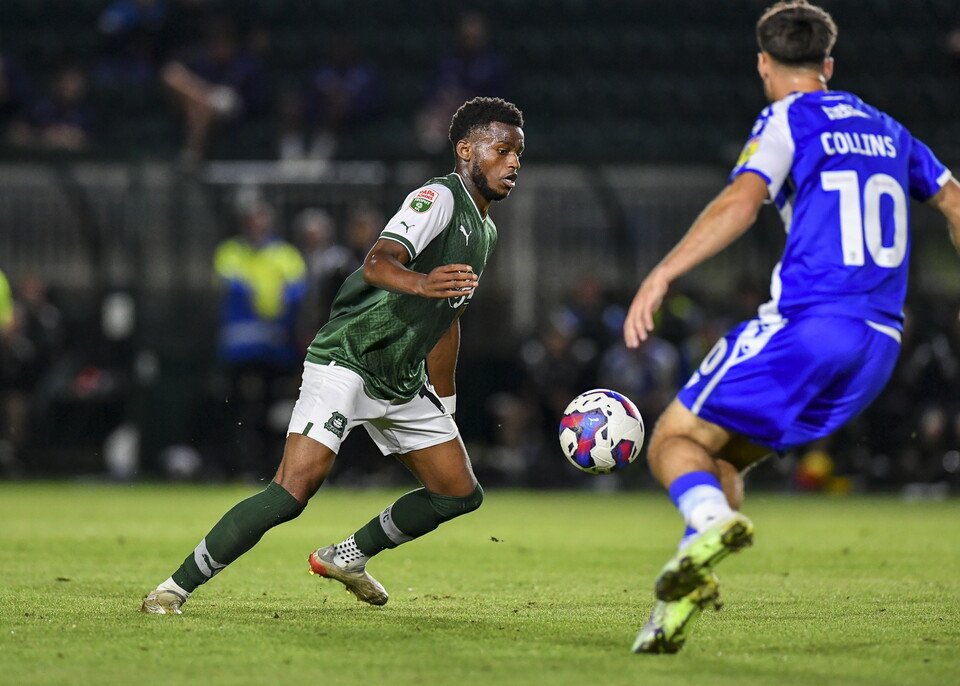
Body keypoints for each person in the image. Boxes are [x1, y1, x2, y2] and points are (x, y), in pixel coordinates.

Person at [622, 1, 960, 654]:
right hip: (879, 346)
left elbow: (741, 202)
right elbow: (954, 201)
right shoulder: (889, 129)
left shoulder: (787, 119)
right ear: (828, 64)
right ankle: (680, 596)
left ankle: (709, 523)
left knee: (672, 440)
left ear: (763, 64)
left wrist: (663, 273)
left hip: (810, 326)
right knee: (719, 455)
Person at [141, 96, 524, 614]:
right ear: (465, 151)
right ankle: (173, 588)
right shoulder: (437, 198)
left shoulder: (486, 230)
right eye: (501, 150)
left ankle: (347, 557)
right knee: (292, 491)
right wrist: (422, 282)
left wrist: (447, 403)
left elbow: (447, 317)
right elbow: (378, 262)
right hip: (349, 358)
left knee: (459, 493)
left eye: (518, 153)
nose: (513, 163)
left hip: (402, 377)